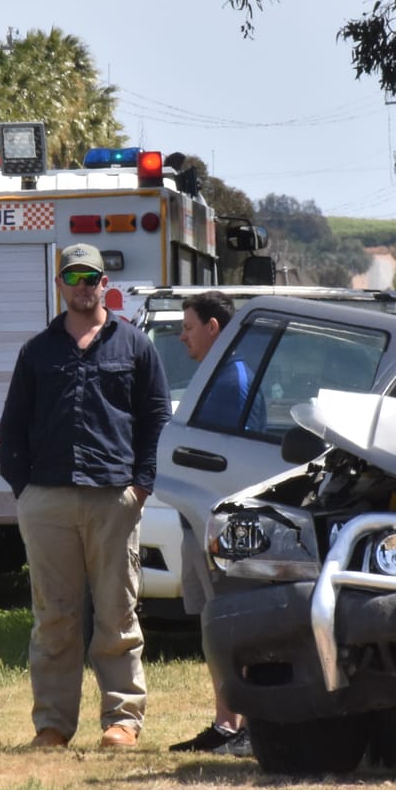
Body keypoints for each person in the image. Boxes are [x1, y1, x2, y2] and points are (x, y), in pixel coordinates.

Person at [0, 243, 169, 750]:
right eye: (72, 276)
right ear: (60, 284)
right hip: (46, 500)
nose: (81, 285)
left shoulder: (135, 346)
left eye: (90, 277)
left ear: (103, 284)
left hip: (113, 496)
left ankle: (122, 721)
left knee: (117, 613)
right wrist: (23, 489)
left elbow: (156, 416)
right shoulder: (37, 351)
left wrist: (142, 483)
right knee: (54, 615)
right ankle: (52, 725)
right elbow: (13, 426)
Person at [169, 290, 252, 756]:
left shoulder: (229, 380)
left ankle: (240, 726)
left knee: (225, 625)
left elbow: (214, 457)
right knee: (211, 626)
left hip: (215, 523)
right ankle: (227, 725)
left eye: (188, 326)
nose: (182, 336)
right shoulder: (217, 376)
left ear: (213, 328)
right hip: (197, 522)